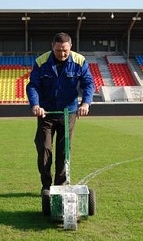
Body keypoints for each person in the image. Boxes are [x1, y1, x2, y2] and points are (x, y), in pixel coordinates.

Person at [26, 32, 95, 195]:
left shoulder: (80, 61)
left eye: (65, 50)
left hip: (68, 113)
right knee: (44, 148)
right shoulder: (41, 61)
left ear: (70, 46)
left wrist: (85, 103)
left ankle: (61, 186)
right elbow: (32, 86)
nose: (62, 54)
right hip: (46, 113)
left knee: (64, 150)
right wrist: (35, 105)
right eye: (58, 50)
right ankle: (46, 185)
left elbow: (88, 83)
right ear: (52, 47)